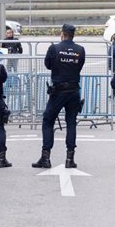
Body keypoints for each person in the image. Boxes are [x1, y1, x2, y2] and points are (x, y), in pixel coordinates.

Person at [32, 23, 85, 169]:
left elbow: (48, 65)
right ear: (73, 35)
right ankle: (70, 158)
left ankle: (46, 157)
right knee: (71, 122)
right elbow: (79, 66)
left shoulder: (54, 48)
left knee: (48, 120)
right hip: (73, 90)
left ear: (62, 34)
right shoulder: (80, 50)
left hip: (59, 90)